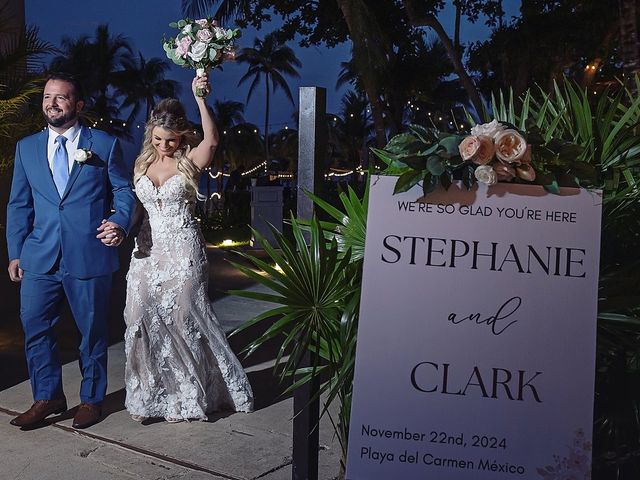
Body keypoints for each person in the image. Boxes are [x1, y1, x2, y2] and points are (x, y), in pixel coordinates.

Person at [6, 72, 136, 429]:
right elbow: (19, 205)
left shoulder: (104, 144)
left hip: (89, 253)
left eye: (61, 97)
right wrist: (15, 252)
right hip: (39, 257)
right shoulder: (26, 147)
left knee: (92, 331)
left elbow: (124, 192)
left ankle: (92, 399)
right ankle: (47, 397)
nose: (52, 103)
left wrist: (120, 223)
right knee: (35, 327)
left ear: (77, 105)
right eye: (48, 97)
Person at [123, 74, 253, 423]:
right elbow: (138, 208)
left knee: (185, 318)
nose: (164, 145)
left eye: (171, 138)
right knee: (138, 319)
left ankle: (191, 394)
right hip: (147, 253)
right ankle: (147, 396)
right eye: (158, 138)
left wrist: (200, 98)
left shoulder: (189, 162)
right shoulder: (141, 164)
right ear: (151, 134)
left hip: (183, 250)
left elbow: (212, 138)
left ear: (181, 135)